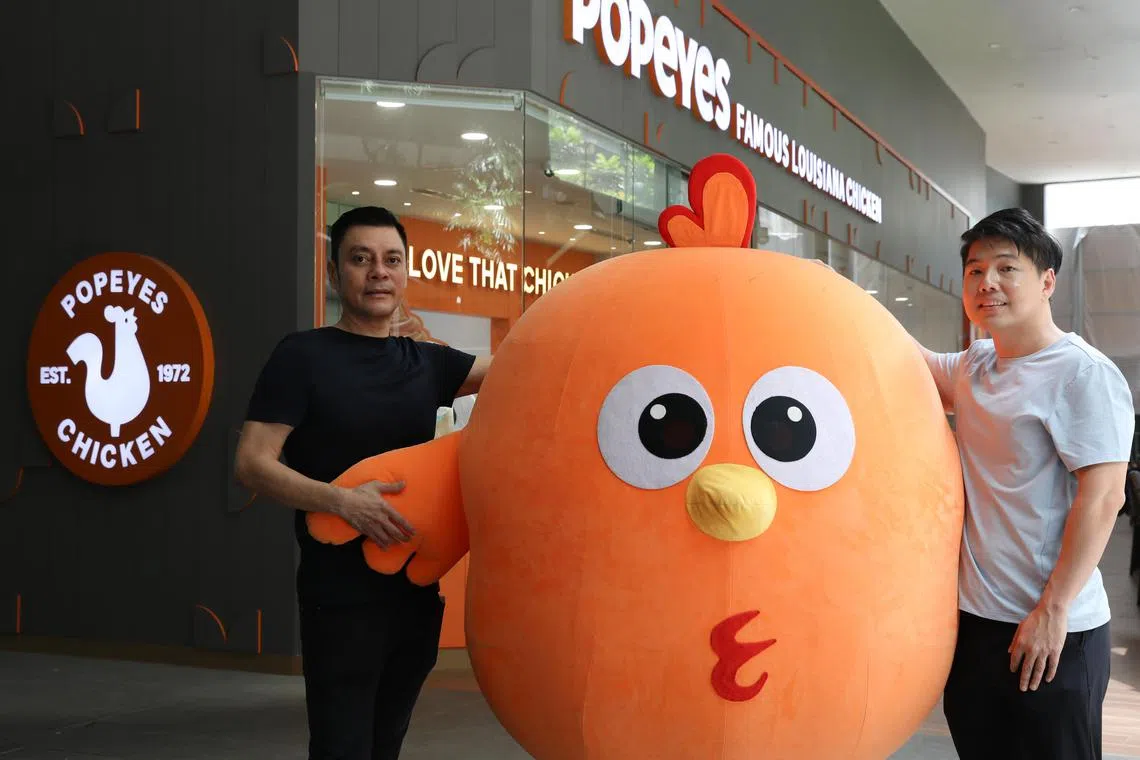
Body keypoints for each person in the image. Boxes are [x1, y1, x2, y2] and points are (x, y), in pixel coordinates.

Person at [234, 206, 490, 760]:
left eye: (391, 260)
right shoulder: (302, 355)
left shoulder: (428, 362)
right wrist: (341, 502)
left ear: (405, 273)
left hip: (415, 592)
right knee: (341, 745)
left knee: (386, 744)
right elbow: (253, 462)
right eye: (361, 259)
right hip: (340, 598)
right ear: (335, 275)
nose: (378, 271)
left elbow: (526, 365)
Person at [915, 208, 1134, 759]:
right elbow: (903, 362)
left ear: (1047, 281)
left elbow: (1105, 496)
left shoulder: (1083, 372)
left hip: (1053, 629)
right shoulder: (975, 365)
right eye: (974, 270)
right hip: (976, 625)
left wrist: (1052, 612)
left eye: (1006, 268)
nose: (987, 282)